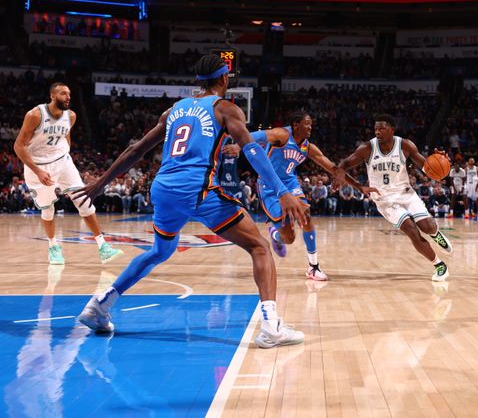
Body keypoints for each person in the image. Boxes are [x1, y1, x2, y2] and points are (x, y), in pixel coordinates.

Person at [73, 54, 308, 349]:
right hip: (196, 190)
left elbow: (136, 149)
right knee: (259, 247)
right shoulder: (226, 108)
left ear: (199, 81)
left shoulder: (174, 110)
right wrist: (282, 191)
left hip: (163, 189)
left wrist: (101, 182)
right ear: (224, 79)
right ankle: (271, 327)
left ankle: (100, 305)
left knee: (160, 250)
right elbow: (252, 150)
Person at [222, 111, 375, 281]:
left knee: (306, 217)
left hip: (290, 184)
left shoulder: (308, 147)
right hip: (269, 186)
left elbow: (333, 168)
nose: (310, 127)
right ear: (296, 125)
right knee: (289, 238)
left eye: (311, 124)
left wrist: (360, 186)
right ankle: (275, 234)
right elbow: (258, 135)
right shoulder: (282, 135)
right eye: (307, 124)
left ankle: (313, 267)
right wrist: (239, 146)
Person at [13, 82, 123, 265]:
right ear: (52, 96)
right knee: (48, 210)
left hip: (62, 162)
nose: (68, 97)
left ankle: (103, 246)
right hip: (38, 167)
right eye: (63, 94)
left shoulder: (71, 116)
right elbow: (18, 146)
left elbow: (66, 139)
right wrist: (38, 171)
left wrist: (64, 159)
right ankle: (53, 247)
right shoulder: (35, 115)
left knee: (84, 199)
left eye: (69, 94)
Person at [336, 114, 453, 281]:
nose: (377, 132)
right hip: (384, 199)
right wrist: (347, 177)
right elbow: (345, 164)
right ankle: (439, 265)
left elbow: (427, 168)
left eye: (382, 128)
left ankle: (435, 234)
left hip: (406, 193)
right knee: (412, 231)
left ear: (392, 129)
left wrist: (440, 163)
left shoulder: (405, 145)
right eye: (376, 129)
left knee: (426, 226)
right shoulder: (367, 148)